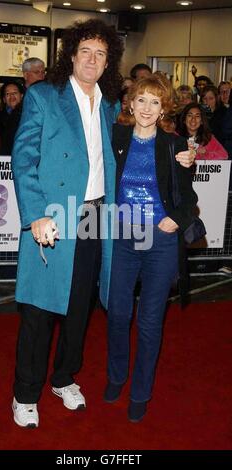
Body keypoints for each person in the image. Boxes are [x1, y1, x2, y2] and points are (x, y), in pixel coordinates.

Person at [11, 18, 124, 428]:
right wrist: (36, 213)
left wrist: (180, 156)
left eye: (101, 54)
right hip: (53, 217)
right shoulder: (44, 96)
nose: (93, 60)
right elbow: (23, 158)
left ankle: (63, 378)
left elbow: (143, 142)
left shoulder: (112, 104)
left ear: (108, 61)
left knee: (80, 308)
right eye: (86, 52)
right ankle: (25, 394)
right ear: (72, 56)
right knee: (40, 311)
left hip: (96, 214)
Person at [104, 74, 198, 423]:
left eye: (154, 102)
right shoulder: (116, 137)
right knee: (117, 313)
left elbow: (189, 200)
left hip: (160, 240)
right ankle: (116, 376)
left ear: (163, 110)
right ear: (131, 103)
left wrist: (175, 218)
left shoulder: (174, 145)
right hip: (123, 236)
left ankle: (140, 392)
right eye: (141, 99)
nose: (146, 108)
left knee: (149, 321)